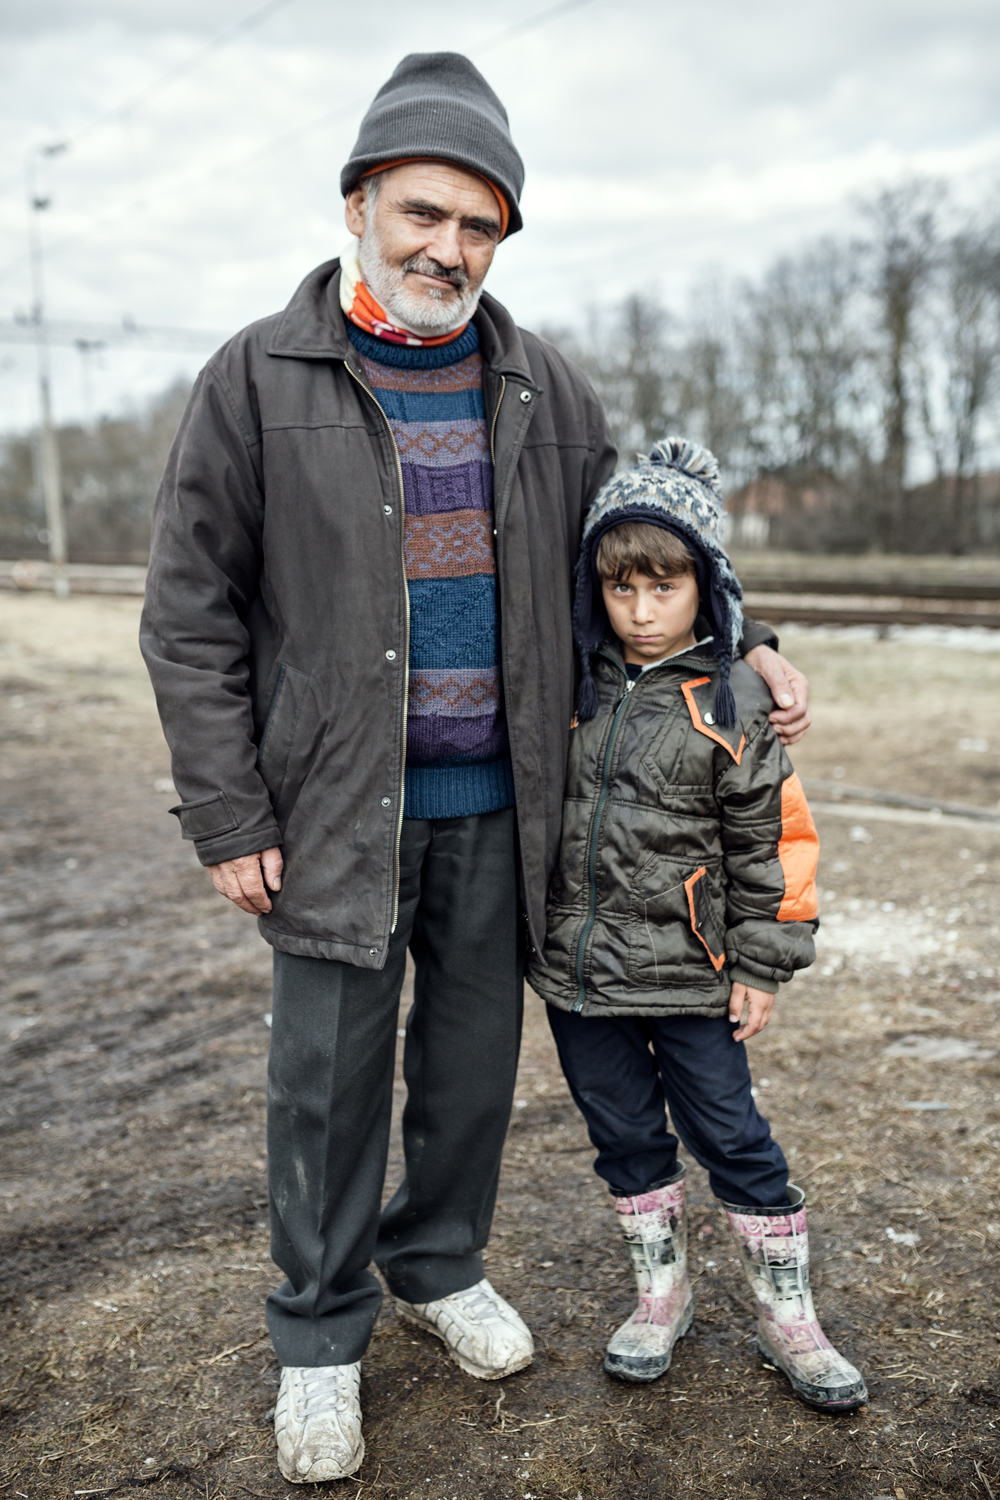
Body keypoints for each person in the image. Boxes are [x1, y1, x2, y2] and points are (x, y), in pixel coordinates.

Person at [140, 53, 813, 1484]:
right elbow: (188, 610)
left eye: (482, 225)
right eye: (426, 212)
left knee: (469, 1072)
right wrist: (222, 807)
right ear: (360, 202)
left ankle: (436, 1265)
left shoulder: (544, 386)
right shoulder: (256, 379)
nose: (450, 247)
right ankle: (318, 1339)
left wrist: (750, 646)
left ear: (503, 239)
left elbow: (658, 546)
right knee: (323, 1086)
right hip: (329, 817)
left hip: (510, 811)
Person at [528, 437, 867, 1412]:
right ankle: (659, 1292)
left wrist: (758, 963)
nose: (638, 612)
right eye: (619, 589)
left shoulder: (733, 700)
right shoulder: (569, 686)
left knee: (732, 1135)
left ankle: (787, 1314)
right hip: (580, 978)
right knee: (623, 1135)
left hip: (692, 975)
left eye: (662, 589)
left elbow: (773, 844)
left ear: (704, 587)